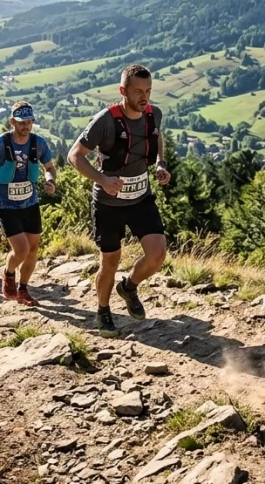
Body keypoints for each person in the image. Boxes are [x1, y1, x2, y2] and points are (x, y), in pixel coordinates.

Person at [68, 63, 171, 339]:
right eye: (138, 91)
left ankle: (128, 287)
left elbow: (157, 137)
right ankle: (103, 310)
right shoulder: (106, 120)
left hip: (140, 198)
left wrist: (160, 164)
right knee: (110, 261)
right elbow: (74, 156)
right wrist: (102, 180)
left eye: (148, 90)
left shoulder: (153, 114)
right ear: (122, 90)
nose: (144, 97)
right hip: (108, 204)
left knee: (157, 253)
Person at [0, 102, 58, 306]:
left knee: (33, 249)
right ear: (12, 122)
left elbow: (50, 167)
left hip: (30, 202)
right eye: (21, 123)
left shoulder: (39, 143)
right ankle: (8, 273)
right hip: (5, 204)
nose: (26, 126)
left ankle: (23, 289)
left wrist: (50, 180)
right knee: (21, 250)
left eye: (29, 122)